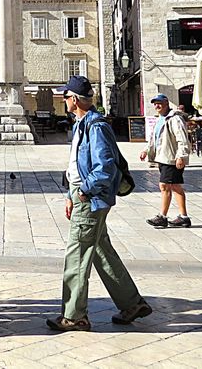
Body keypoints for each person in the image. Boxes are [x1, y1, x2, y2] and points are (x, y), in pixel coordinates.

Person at [47, 76, 150, 332]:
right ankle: (132, 303)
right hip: (82, 195)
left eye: (66, 96)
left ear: (75, 99)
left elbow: (103, 168)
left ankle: (74, 315)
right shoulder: (81, 124)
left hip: (91, 197)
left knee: (78, 253)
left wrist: (83, 190)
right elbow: (76, 165)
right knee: (101, 251)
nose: (63, 99)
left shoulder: (96, 126)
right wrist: (71, 194)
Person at [142, 94, 192, 228]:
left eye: (159, 103)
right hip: (163, 157)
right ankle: (184, 217)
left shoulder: (175, 119)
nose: (157, 106)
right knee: (175, 186)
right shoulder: (160, 119)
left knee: (164, 186)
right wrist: (146, 151)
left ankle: (162, 217)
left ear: (166, 103)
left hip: (171, 158)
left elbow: (182, 138)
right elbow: (155, 139)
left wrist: (181, 155)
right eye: (155, 103)